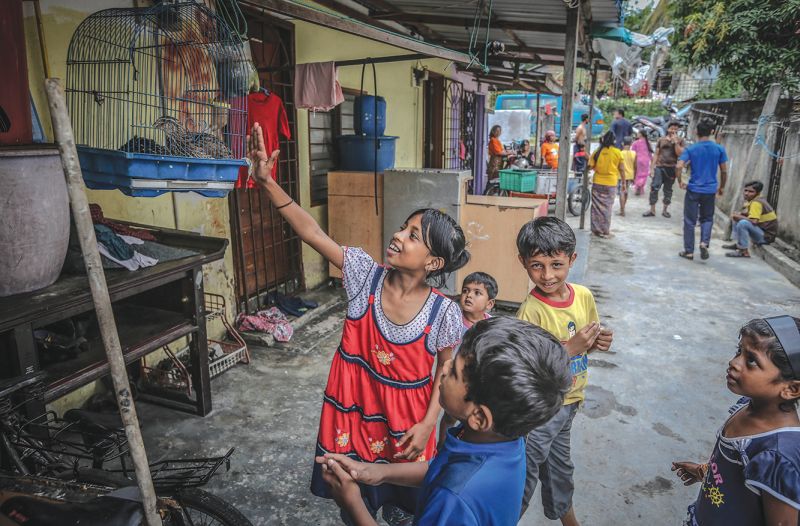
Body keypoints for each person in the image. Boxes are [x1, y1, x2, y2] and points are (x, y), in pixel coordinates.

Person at [247, 122, 469, 524]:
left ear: (433, 263)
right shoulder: (363, 274)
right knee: (352, 498)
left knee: (407, 507)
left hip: (406, 425)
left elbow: (446, 369)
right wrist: (266, 183)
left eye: (414, 236)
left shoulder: (444, 313)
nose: (399, 236)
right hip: (352, 414)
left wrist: (428, 423)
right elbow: (312, 231)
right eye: (404, 226)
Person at [315, 317, 572, 526]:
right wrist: (378, 472)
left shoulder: (453, 501)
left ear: (479, 417)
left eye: (455, 372)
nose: (445, 367)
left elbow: (449, 482)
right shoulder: (501, 440)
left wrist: (353, 502)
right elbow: (440, 468)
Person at [515, 217, 614, 526]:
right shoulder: (530, 312)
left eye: (556, 264)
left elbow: (588, 344)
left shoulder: (583, 296)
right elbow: (525, 369)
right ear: (523, 263)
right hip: (540, 410)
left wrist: (597, 343)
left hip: (570, 402)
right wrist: (569, 348)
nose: (547, 275)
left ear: (572, 259)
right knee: (523, 474)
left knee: (560, 470)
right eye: (537, 266)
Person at [672, 316, 800, 526]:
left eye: (751, 360)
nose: (734, 362)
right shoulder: (746, 406)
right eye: (739, 351)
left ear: (791, 389)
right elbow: (737, 475)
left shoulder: (777, 456)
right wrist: (705, 471)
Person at [438, 271, 499, 446]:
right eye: (465, 290)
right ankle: (441, 446)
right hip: (457, 380)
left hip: (480, 381)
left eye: (477, 293)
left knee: (472, 416)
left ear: (489, 304)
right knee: (450, 416)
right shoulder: (454, 322)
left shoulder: (491, 326)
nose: (469, 296)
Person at [676, 119, 729, 261]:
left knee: (689, 220)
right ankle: (704, 242)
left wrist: (680, 181)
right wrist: (722, 187)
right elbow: (724, 171)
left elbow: (679, 166)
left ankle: (689, 251)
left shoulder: (691, 149)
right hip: (710, 190)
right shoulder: (719, 149)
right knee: (707, 218)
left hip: (693, 189)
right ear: (712, 132)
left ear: (696, 132)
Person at [723, 181, 778, 258]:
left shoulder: (756, 203)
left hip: (765, 237)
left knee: (742, 222)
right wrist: (739, 215)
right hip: (761, 231)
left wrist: (739, 217)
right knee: (738, 216)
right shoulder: (755, 200)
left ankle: (743, 251)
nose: (746, 193)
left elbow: (754, 221)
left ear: (757, 193)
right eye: (745, 190)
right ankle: (739, 244)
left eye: (751, 191)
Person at [588, 131, 626, 238]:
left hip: (598, 182)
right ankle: (605, 231)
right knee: (607, 207)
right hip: (610, 183)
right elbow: (622, 169)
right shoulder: (617, 152)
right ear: (614, 140)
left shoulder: (597, 151)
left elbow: (590, 166)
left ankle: (596, 230)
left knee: (596, 207)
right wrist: (623, 183)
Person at [644, 121, 685, 218]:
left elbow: (680, 154)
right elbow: (656, 154)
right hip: (660, 167)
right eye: (672, 128)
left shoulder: (680, 141)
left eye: (676, 129)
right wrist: (652, 168)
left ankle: (665, 210)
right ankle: (652, 210)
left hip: (671, 168)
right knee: (654, 187)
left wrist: (675, 143)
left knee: (668, 190)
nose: (673, 130)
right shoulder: (661, 140)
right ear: (668, 129)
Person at [630, 129, 653, 195]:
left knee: (638, 174)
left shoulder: (635, 143)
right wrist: (652, 160)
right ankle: (641, 186)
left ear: (641, 134)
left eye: (638, 133)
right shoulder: (648, 142)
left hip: (638, 160)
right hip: (646, 160)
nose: (637, 134)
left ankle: (638, 186)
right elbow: (650, 153)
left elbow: (633, 153)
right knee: (644, 174)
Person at [619, 136, 636, 216]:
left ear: (623, 144)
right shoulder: (634, 153)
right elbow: (635, 166)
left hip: (620, 175)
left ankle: (622, 210)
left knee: (622, 192)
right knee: (626, 192)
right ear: (631, 144)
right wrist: (634, 177)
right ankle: (623, 207)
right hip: (630, 175)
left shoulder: (620, 153)